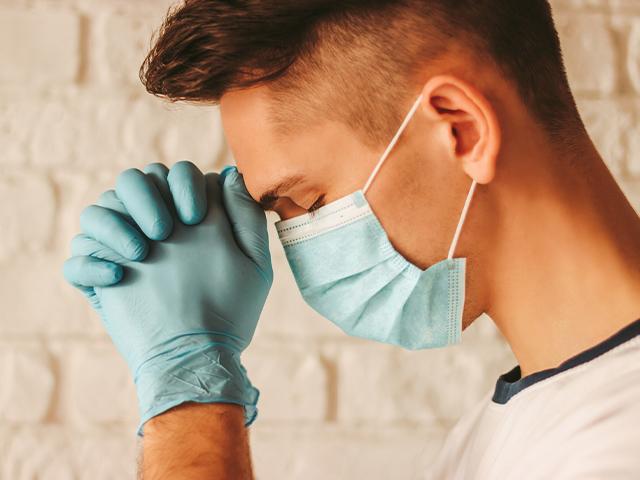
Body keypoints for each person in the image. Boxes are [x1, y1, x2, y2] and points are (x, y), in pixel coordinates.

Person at [62, 0, 640, 478]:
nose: (295, 240)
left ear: (460, 129)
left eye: (307, 200)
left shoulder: (617, 440)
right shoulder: (519, 424)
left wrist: (188, 389)